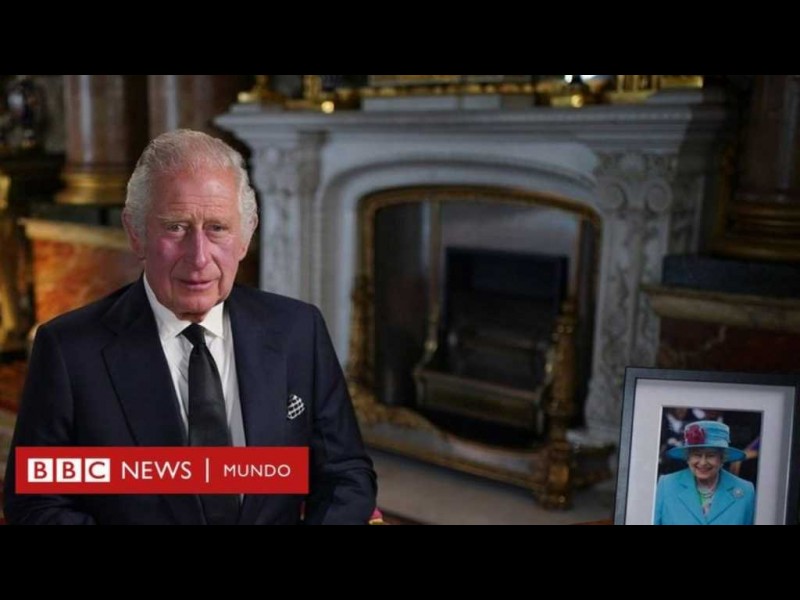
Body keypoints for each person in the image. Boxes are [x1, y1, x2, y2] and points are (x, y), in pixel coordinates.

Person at [2, 129, 377, 525]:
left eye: (217, 228)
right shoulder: (69, 350)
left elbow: (345, 474)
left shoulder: (298, 330)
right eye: (176, 227)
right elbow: (35, 502)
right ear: (136, 233)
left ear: (246, 235)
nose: (199, 257)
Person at [653, 420, 755, 525]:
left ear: (722, 458)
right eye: (697, 455)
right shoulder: (667, 485)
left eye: (711, 455)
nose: (703, 462)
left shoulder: (745, 490)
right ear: (688, 457)